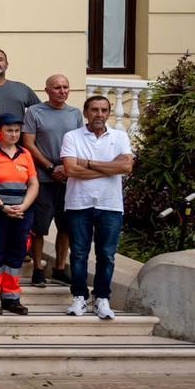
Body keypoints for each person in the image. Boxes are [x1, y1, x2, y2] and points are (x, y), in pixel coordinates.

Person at [60, 95, 133, 320]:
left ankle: (102, 298)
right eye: (94, 110)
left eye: (103, 110)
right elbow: (71, 170)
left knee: (107, 255)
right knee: (79, 254)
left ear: (109, 113)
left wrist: (88, 163)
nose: (99, 114)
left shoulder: (120, 136)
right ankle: (79, 297)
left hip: (110, 204)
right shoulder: (72, 136)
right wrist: (111, 167)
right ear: (86, 112)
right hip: (79, 203)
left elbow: (127, 166)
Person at [23, 73, 83, 285]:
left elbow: (80, 144)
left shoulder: (75, 113)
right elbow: (29, 143)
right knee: (39, 227)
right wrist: (50, 167)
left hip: (68, 179)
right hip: (43, 179)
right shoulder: (34, 112)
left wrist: (66, 169)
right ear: (47, 90)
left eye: (65, 87)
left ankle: (59, 267)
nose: (62, 91)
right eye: (57, 87)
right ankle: (38, 268)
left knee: (65, 226)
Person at [0, 113, 38, 315]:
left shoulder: (25, 154)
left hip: (21, 212)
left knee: (17, 253)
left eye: (17, 131)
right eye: (9, 130)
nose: (14, 134)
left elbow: (33, 183)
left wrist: (24, 206)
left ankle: (12, 297)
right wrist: (2, 206)